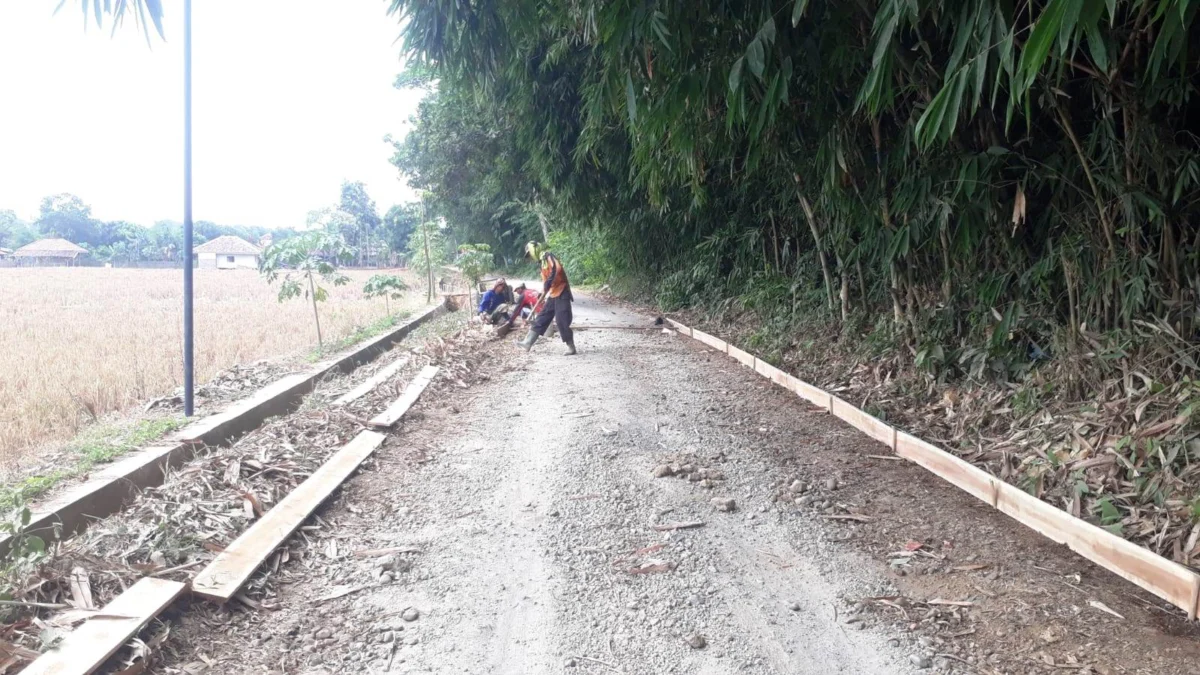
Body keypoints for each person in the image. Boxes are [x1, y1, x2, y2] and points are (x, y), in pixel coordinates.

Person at [517, 243, 576, 355]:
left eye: (530, 253)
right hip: (553, 294)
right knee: (541, 318)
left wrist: (548, 283)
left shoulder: (548, 256)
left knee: (561, 320)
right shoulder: (542, 263)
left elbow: (557, 269)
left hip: (562, 291)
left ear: (534, 249)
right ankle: (528, 342)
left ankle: (571, 347)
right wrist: (543, 292)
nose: (530, 256)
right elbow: (546, 282)